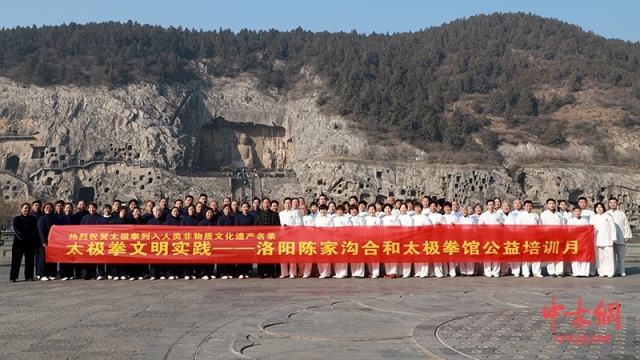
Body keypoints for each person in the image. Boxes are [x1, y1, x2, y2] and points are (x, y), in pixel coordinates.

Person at [10, 203, 38, 282]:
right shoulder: (17, 219)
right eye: (25, 208)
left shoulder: (33, 219)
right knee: (16, 260)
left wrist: (29, 237)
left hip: (30, 242)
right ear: (21, 209)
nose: (27, 210)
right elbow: (16, 231)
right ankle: (13, 277)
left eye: (28, 208)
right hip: (18, 243)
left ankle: (29, 276)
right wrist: (23, 237)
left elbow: (35, 230)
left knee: (30, 260)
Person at [254, 198, 280, 278]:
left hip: (271, 239)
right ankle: (261, 273)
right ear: (262, 204)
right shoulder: (258, 214)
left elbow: (278, 226)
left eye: (268, 203)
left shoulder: (274, 214)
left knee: (271, 256)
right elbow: (255, 226)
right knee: (261, 256)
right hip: (261, 239)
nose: (266, 204)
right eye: (265, 203)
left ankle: (271, 273)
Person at [516, 200, 542, 278]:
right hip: (525, 237)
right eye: (527, 206)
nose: (529, 207)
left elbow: (540, 226)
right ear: (524, 206)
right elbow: (518, 227)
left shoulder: (536, 215)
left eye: (530, 206)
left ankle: (536, 272)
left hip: (535, 237)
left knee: (536, 254)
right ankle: (526, 272)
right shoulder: (520, 216)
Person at [606, 197, 632, 277]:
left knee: (621, 256)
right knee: (611, 256)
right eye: (611, 202)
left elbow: (626, 225)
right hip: (610, 238)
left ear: (617, 203)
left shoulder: (621, 214)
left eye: (614, 202)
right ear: (609, 204)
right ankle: (612, 271)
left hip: (621, 237)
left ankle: (621, 271)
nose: (613, 204)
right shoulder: (606, 214)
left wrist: (627, 236)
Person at [540, 198, 566, 277]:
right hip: (548, 236)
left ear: (556, 205)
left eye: (553, 203)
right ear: (547, 205)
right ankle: (551, 271)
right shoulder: (543, 214)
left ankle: (559, 271)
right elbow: (541, 226)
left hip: (559, 236)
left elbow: (563, 226)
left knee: (559, 254)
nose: (552, 205)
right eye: (550, 203)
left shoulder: (560, 214)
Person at [279, 197, 303, 279]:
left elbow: (300, 224)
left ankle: (292, 272)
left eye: (289, 203)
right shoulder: (280, 214)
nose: (288, 204)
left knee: (292, 255)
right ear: (283, 204)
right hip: (283, 236)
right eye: (286, 203)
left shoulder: (296, 213)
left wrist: (290, 227)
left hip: (292, 236)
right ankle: (284, 272)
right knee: (283, 255)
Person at [590, 203, 616, 278]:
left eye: (600, 207)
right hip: (597, 240)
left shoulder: (608, 217)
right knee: (599, 257)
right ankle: (601, 271)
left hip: (608, 239)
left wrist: (613, 237)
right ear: (595, 209)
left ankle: (610, 271)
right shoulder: (593, 218)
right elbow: (590, 229)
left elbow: (612, 228)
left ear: (603, 208)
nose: (599, 209)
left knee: (609, 256)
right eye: (597, 207)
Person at [80, 203, 104, 280]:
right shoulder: (84, 218)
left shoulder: (100, 218)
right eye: (90, 207)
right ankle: (86, 274)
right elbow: (80, 229)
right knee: (86, 258)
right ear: (88, 209)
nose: (92, 209)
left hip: (97, 241)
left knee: (96, 257)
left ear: (96, 208)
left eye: (93, 208)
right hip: (86, 241)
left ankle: (94, 274)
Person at [479, 199, 502, 278]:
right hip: (487, 237)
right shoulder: (483, 215)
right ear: (487, 206)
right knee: (487, 254)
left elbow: (501, 224)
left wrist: (501, 225)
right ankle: (488, 271)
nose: (491, 206)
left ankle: (496, 271)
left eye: (493, 204)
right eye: (489, 204)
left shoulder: (498, 215)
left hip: (496, 236)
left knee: (496, 254)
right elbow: (479, 226)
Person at [56, 202, 78, 281]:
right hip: (63, 241)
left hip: (72, 241)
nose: (68, 209)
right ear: (64, 209)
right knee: (63, 258)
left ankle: (70, 274)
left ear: (72, 209)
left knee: (71, 257)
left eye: (70, 208)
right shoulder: (60, 219)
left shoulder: (75, 218)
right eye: (67, 208)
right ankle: (63, 274)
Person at [35, 203, 57, 281]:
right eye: (46, 208)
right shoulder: (42, 219)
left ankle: (48, 273)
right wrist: (44, 241)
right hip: (43, 242)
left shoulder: (54, 218)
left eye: (50, 207)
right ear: (44, 209)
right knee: (42, 258)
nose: (48, 209)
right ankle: (41, 274)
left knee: (50, 258)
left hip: (52, 242)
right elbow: (41, 231)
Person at [567, 207, 590, 277]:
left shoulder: (585, 221)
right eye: (575, 211)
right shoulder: (570, 221)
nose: (577, 212)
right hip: (574, 240)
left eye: (579, 211)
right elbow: (568, 231)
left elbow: (588, 230)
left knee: (584, 256)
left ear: (581, 212)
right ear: (573, 212)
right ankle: (577, 272)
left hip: (584, 240)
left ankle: (585, 272)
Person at [235, 202, 255, 279]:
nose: (245, 208)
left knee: (247, 256)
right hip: (240, 239)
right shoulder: (238, 217)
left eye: (246, 207)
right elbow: (236, 228)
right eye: (243, 207)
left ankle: (246, 271)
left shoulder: (251, 217)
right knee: (240, 256)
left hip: (249, 240)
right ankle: (240, 272)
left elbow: (253, 229)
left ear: (249, 208)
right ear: (241, 208)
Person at [412, 202, 432, 278]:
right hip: (414, 238)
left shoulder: (425, 218)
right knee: (416, 254)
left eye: (419, 207)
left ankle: (424, 272)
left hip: (423, 238)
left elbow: (429, 229)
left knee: (423, 255)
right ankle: (417, 271)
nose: (417, 209)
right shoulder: (412, 218)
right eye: (416, 207)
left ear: (421, 208)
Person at [146, 206, 167, 280]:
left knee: (162, 259)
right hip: (153, 243)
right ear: (153, 213)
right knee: (153, 260)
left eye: (159, 211)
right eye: (156, 212)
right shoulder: (150, 221)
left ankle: (162, 274)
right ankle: (153, 274)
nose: (158, 213)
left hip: (162, 242)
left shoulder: (164, 221)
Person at [380, 204, 400, 278]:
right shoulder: (382, 219)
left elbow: (398, 229)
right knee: (386, 256)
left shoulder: (395, 218)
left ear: (391, 210)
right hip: (385, 239)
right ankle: (388, 272)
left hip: (393, 239)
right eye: (386, 208)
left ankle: (393, 272)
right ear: (384, 210)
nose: (387, 210)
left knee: (393, 256)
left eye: (389, 208)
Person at [314, 204, 334, 278]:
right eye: (321, 210)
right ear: (319, 211)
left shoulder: (329, 219)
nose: (323, 211)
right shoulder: (317, 219)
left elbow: (332, 230)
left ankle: (326, 272)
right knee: (319, 257)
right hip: (318, 240)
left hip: (326, 240)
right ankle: (322, 271)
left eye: (324, 210)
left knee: (326, 257)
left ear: (327, 210)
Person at [197, 208, 217, 279]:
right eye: (208, 213)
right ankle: (204, 273)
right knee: (204, 259)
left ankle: (210, 272)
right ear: (205, 214)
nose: (210, 214)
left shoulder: (215, 223)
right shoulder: (202, 223)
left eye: (211, 212)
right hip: (204, 244)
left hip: (212, 243)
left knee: (212, 259)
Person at [164, 207, 184, 280]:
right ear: (171, 212)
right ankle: (170, 273)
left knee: (178, 259)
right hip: (170, 243)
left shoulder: (181, 221)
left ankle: (177, 273)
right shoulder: (168, 221)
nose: (176, 213)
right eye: (174, 211)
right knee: (170, 259)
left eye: (177, 211)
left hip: (179, 242)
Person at [332, 205, 352, 278]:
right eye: (338, 210)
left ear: (343, 211)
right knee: (336, 257)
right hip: (335, 240)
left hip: (343, 240)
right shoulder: (334, 219)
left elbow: (349, 230)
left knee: (343, 257)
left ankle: (343, 272)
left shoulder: (347, 219)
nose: (339, 212)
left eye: (341, 210)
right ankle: (337, 272)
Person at [217, 204, 235, 279]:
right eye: (226, 209)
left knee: (230, 258)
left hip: (231, 241)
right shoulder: (220, 219)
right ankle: (222, 273)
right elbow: (219, 230)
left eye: (229, 209)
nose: (227, 211)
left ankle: (229, 272)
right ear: (223, 210)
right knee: (222, 257)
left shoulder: (233, 218)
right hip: (223, 241)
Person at [364, 205, 382, 278]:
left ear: (375, 210)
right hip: (367, 239)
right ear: (368, 211)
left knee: (375, 257)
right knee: (369, 257)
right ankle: (370, 271)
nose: (371, 211)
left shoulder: (378, 219)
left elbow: (380, 230)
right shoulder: (365, 219)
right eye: (370, 209)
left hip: (375, 240)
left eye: (373, 209)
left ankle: (376, 272)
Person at [397, 203, 414, 278]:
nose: (403, 209)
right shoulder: (397, 217)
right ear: (399, 209)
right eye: (402, 208)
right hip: (398, 238)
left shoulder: (409, 218)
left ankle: (406, 272)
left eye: (404, 208)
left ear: (407, 209)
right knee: (399, 256)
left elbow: (409, 228)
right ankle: (400, 271)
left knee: (406, 256)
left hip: (407, 238)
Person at [299, 204, 316, 278]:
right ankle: (301, 271)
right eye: (302, 209)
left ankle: (307, 273)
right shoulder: (298, 218)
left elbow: (312, 229)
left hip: (308, 240)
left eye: (305, 208)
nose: (303, 210)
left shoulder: (310, 218)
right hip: (299, 240)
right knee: (300, 259)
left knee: (308, 258)